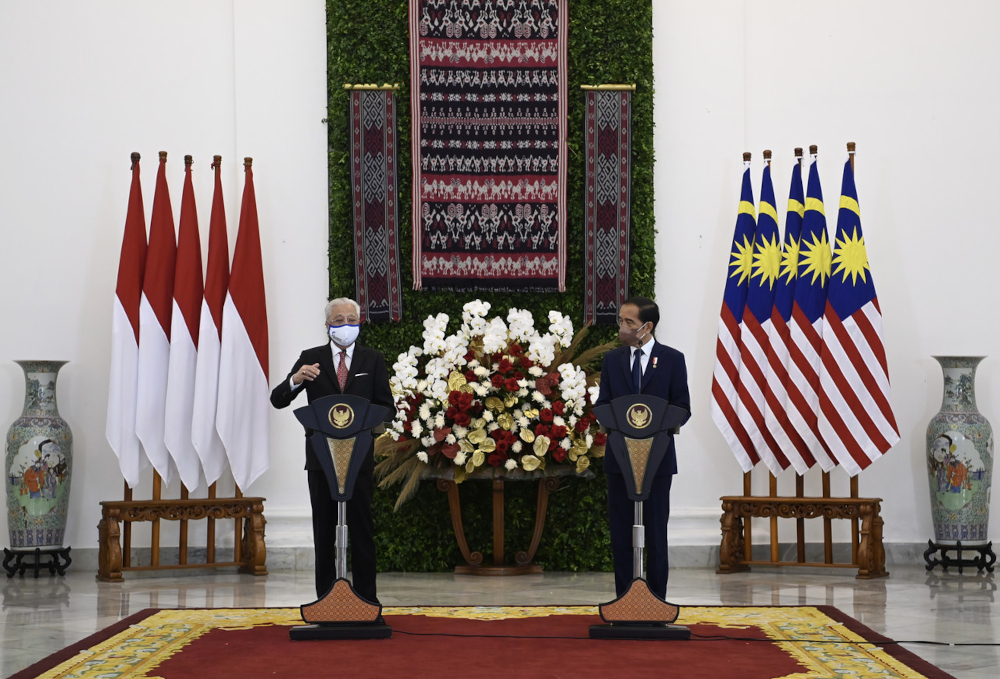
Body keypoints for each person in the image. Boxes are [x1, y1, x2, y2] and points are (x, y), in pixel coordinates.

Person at [270, 298, 394, 603]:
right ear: (327, 326)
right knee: (323, 532)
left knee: (362, 531)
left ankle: (367, 601)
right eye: (338, 320)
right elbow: (278, 399)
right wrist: (296, 380)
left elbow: (387, 407)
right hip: (321, 461)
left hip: (358, 459)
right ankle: (325, 601)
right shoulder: (311, 359)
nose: (345, 325)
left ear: (359, 323)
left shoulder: (372, 359)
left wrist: (366, 422)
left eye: (352, 319)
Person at [595, 296, 690, 600]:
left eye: (629, 322)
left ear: (647, 326)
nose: (622, 327)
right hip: (619, 461)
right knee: (621, 533)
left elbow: (681, 407)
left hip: (658, 461)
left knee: (656, 535)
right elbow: (604, 405)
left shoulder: (672, 359)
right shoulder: (613, 360)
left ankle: (657, 601)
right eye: (621, 320)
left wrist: (655, 426)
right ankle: (623, 600)